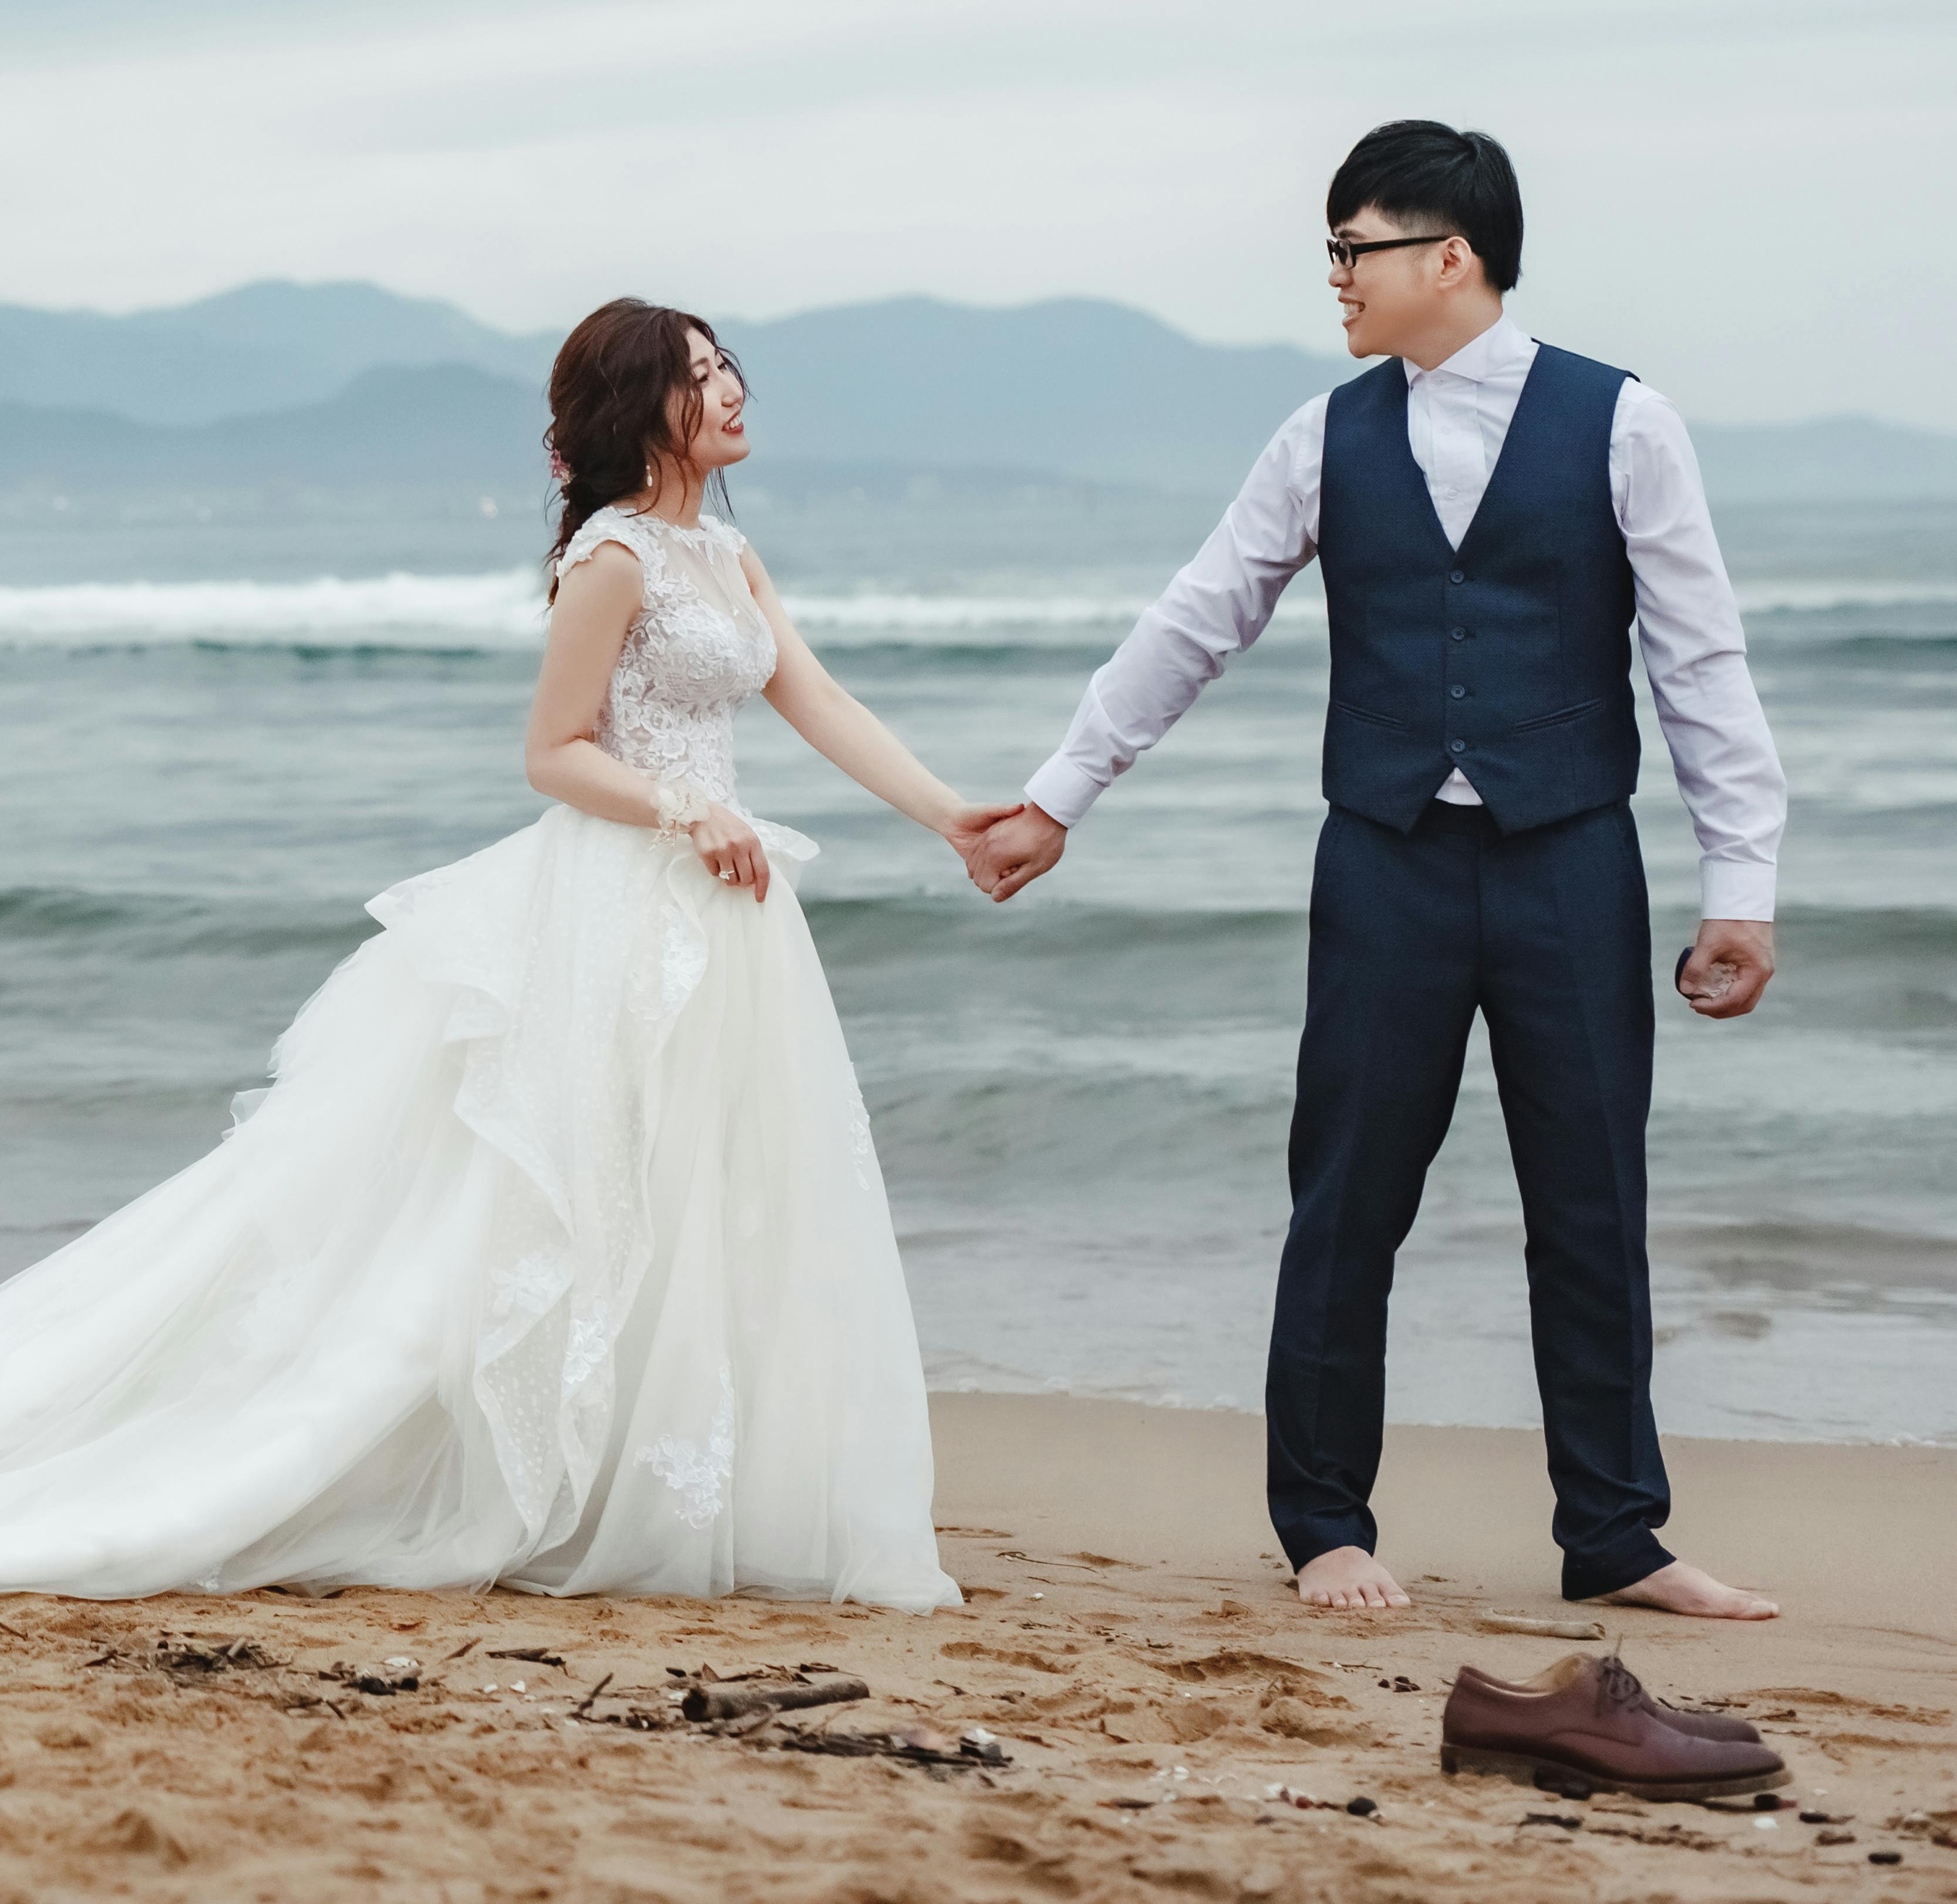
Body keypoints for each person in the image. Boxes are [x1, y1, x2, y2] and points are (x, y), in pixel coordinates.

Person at [0, 298, 1008, 1611]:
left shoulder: (729, 553)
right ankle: (469, 1458)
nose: (733, 392)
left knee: (693, 1195)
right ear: (641, 410)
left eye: (727, 368)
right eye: (700, 377)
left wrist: (948, 818)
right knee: (547, 1200)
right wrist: (685, 807)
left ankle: (629, 1473)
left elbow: (810, 695)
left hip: (725, 912)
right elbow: (554, 752)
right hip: (616, 901)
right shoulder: (613, 559)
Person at [969, 123, 1787, 1620]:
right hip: (1384, 865)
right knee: (1345, 1195)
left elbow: (1698, 660)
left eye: (1354, 249)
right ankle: (1324, 1522)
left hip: (1568, 862)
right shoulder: (1320, 434)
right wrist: (1059, 793)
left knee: (1590, 1202)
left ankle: (1614, 1533)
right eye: (1332, 252)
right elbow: (1195, 618)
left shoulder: (1624, 423)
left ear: (1448, 257)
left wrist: (1740, 880)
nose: (1334, 278)